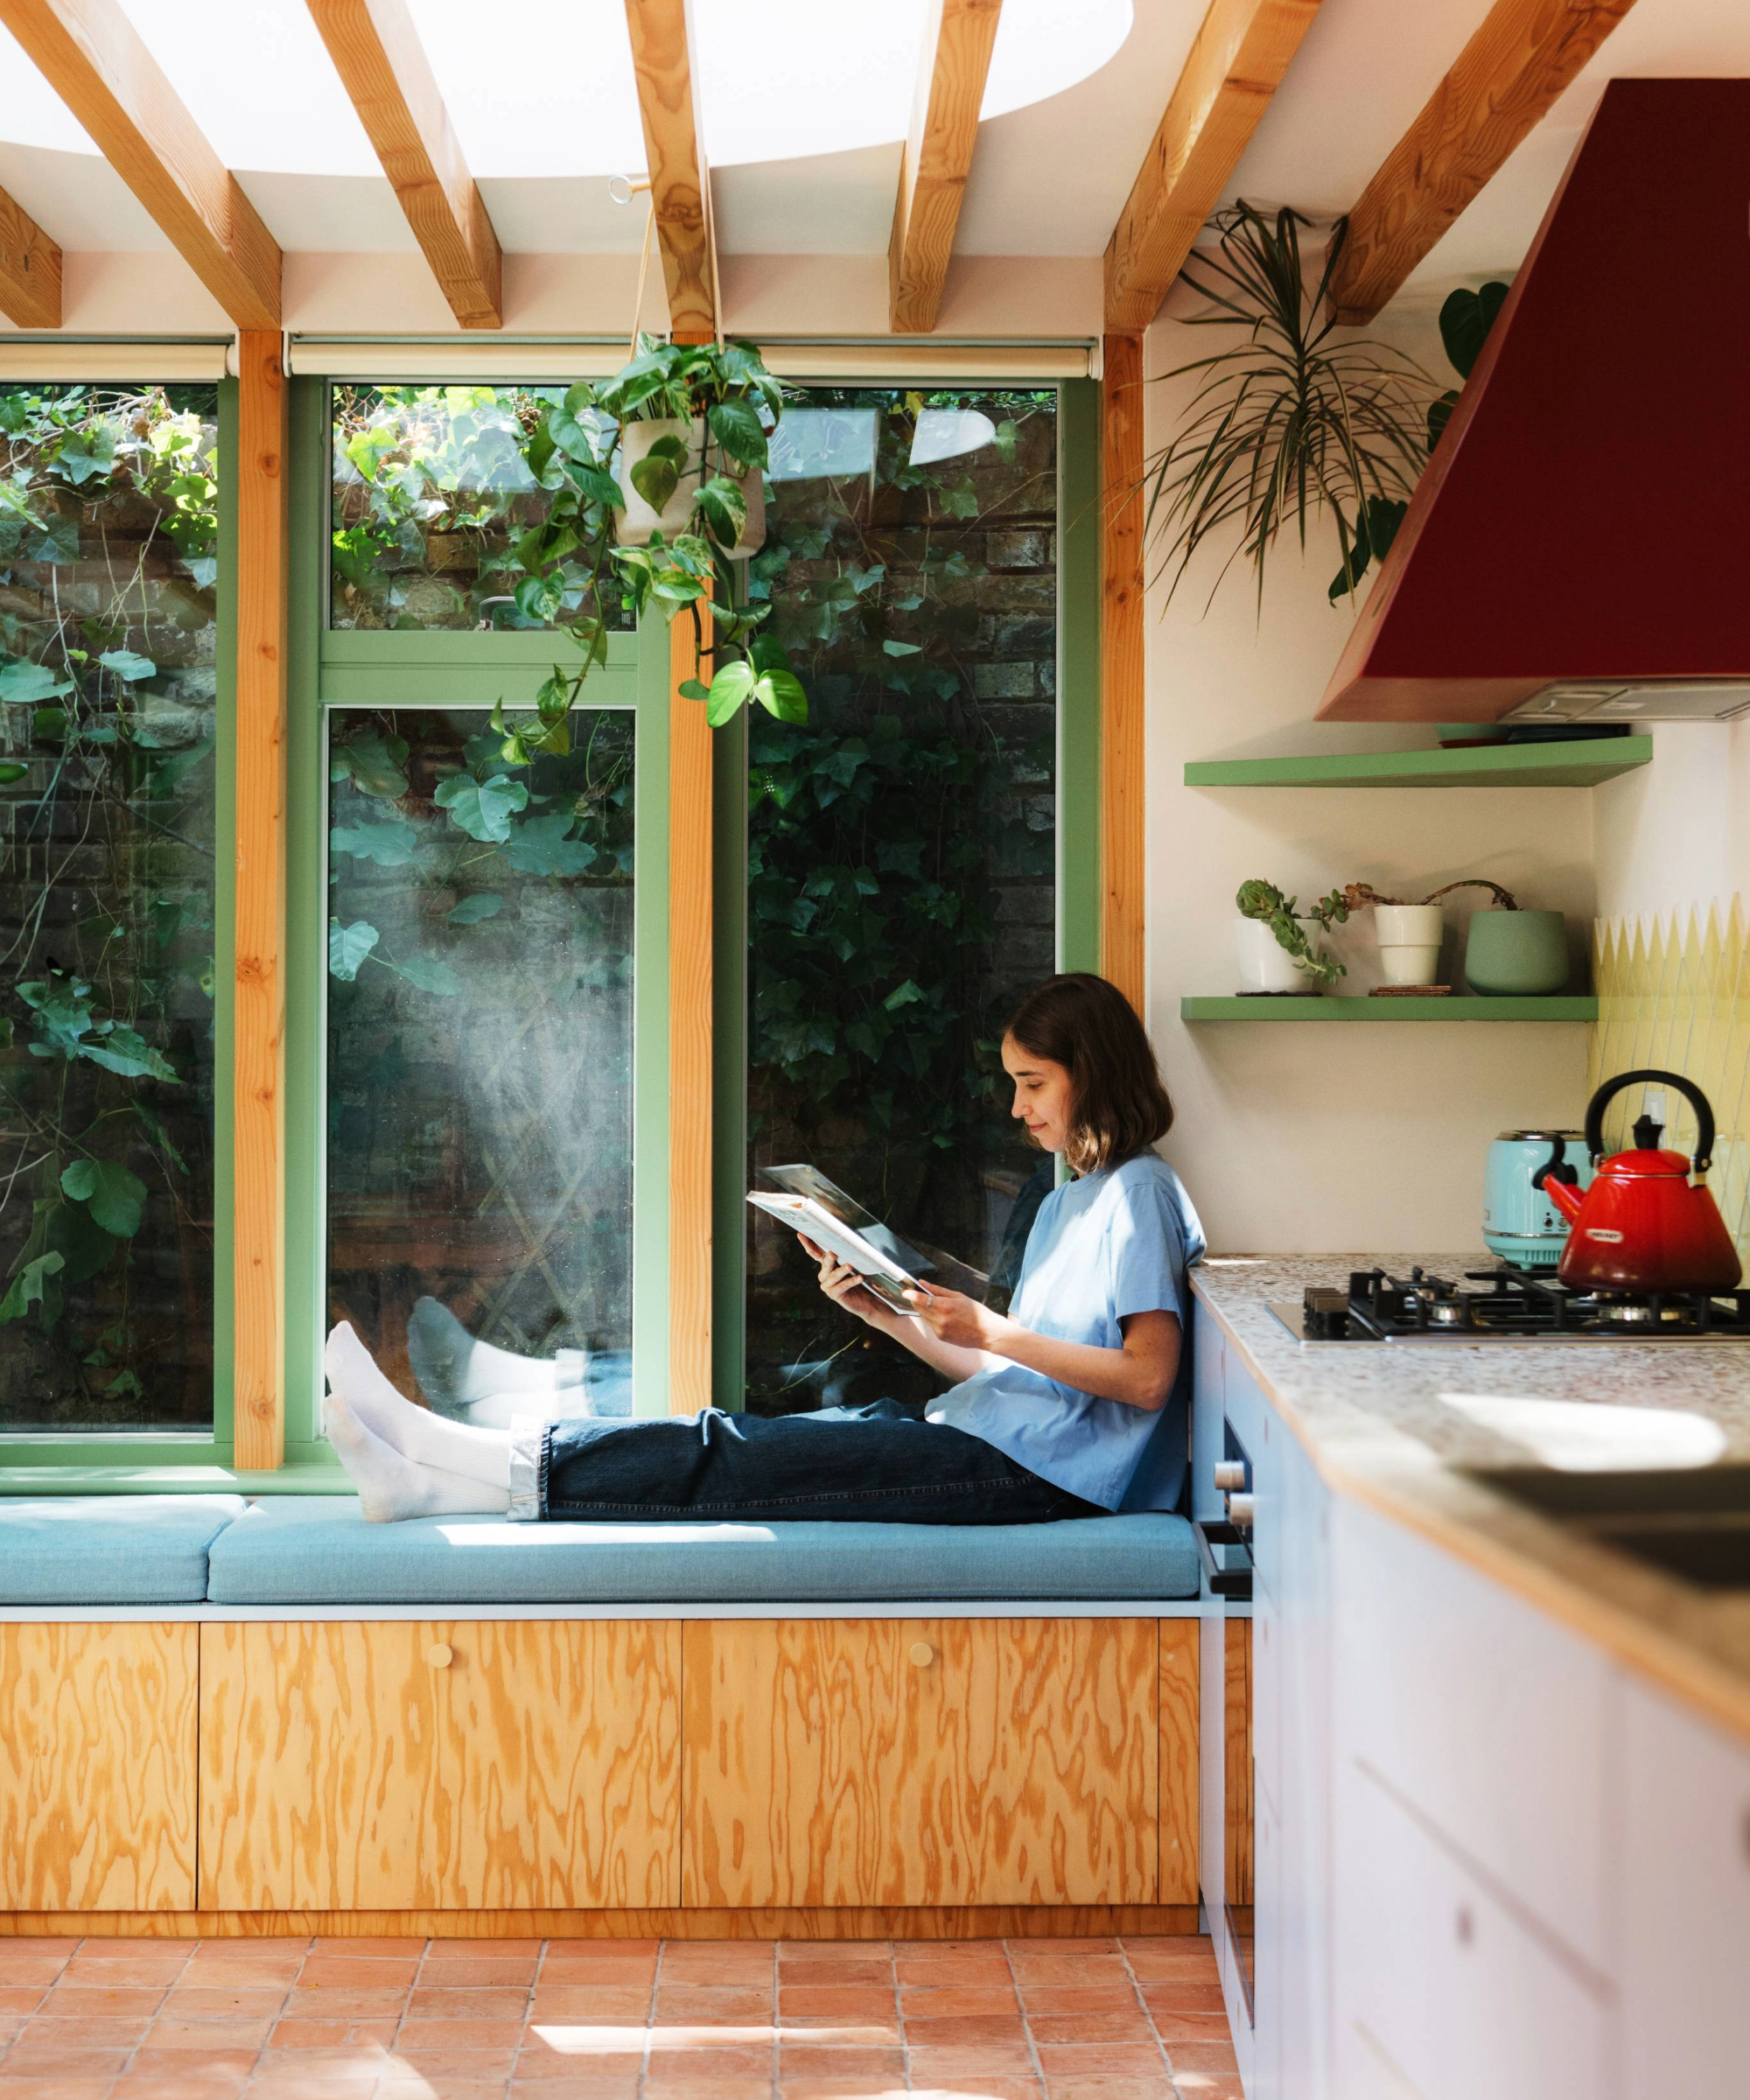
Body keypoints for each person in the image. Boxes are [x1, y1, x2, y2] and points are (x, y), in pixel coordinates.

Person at [321, 971, 1205, 1524]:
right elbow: (1007, 1379)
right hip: (988, 1441)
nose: (1017, 1109)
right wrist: (887, 1316)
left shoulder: (1141, 1194)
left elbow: (1145, 1380)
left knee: (727, 1451)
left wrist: (988, 1329)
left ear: (1094, 1072)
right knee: (740, 1441)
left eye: (1032, 1084)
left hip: (1034, 1480)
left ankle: (437, 1444)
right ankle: (430, 1484)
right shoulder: (1069, 1204)